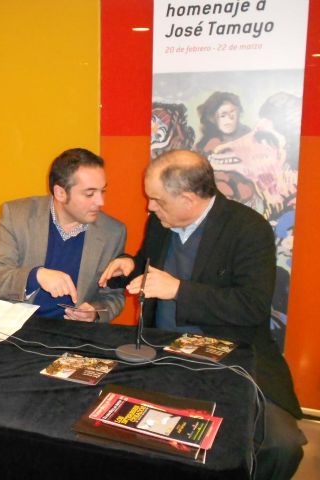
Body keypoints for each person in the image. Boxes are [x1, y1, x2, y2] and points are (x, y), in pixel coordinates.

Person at [99, 150, 305, 479]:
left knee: (281, 445)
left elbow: (251, 305)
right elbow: (147, 266)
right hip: (162, 349)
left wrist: (179, 290)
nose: (150, 207)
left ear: (189, 198)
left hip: (232, 354)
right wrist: (128, 265)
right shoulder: (162, 220)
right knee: (116, 430)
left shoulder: (248, 229)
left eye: (157, 199)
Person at [0, 148, 125, 322]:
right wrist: (35, 276)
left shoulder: (113, 232)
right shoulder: (17, 216)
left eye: (103, 191)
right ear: (60, 193)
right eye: (89, 194)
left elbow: (114, 297)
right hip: (18, 327)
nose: (101, 202)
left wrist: (95, 312)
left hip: (73, 333)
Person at [195, 91, 250, 157]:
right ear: (212, 118)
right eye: (223, 115)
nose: (229, 119)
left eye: (232, 113)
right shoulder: (206, 144)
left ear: (239, 114)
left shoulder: (248, 135)